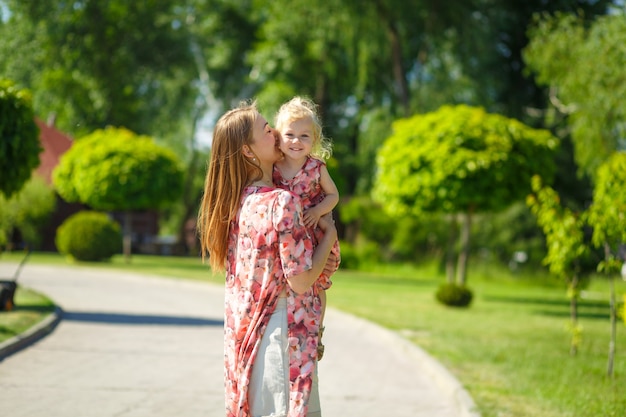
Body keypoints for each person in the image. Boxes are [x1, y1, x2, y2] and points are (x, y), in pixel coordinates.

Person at [197, 101, 337, 417]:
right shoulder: (281, 203)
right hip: (283, 340)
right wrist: (328, 238)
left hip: (246, 343)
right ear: (248, 151)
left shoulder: (237, 202)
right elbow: (300, 281)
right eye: (265, 129)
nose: (274, 132)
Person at [273, 96, 341, 360]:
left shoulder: (316, 167)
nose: (296, 141)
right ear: (278, 136)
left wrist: (317, 211)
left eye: (304, 136)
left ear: (314, 139)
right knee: (292, 286)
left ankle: (319, 332)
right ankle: (291, 330)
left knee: (319, 285)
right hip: (289, 241)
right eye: (289, 134)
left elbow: (333, 196)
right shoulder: (274, 168)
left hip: (315, 235)